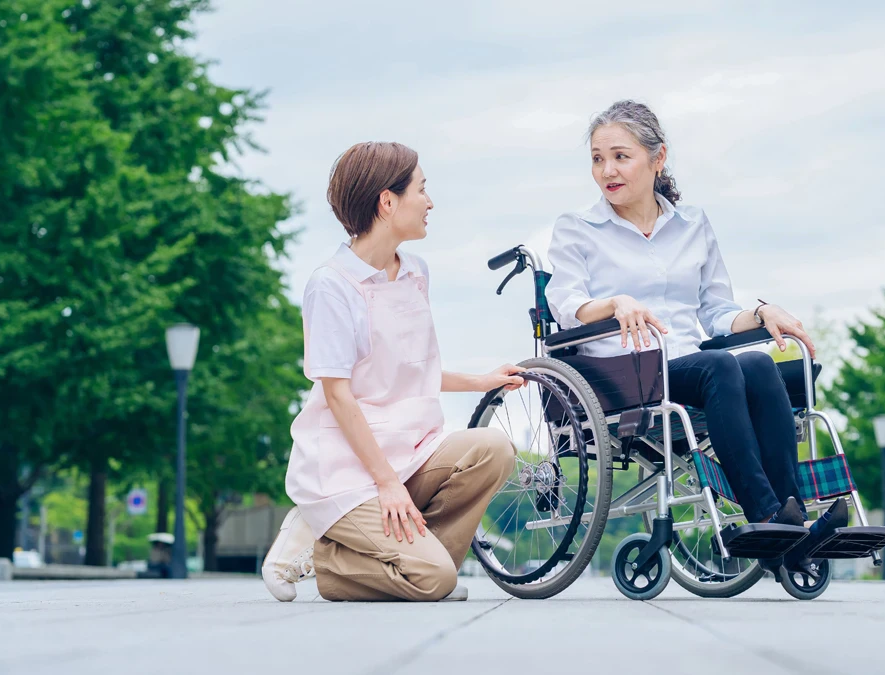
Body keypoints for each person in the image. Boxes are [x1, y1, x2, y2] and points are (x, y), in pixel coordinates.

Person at [544, 101, 848, 577]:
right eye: (598, 158)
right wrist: (614, 303)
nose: (607, 170)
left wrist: (764, 313)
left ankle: (793, 517)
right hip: (621, 373)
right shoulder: (578, 228)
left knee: (760, 363)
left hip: (685, 365)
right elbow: (565, 302)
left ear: (657, 158)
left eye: (620, 156)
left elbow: (716, 311)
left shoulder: (692, 225)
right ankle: (765, 515)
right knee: (723, 367)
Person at [261, 141, 523, 602]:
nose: (430, 202)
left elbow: (408, 369)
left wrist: (481, 380)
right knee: (435, 582)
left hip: (410, 451)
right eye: (421, 190)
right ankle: (323, 551)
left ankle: (419, 565)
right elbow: (339, 396)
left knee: (493, 449)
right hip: (345, 471)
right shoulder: (331, 286)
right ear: (388, 201)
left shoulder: (414, 272)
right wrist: (385, 483)